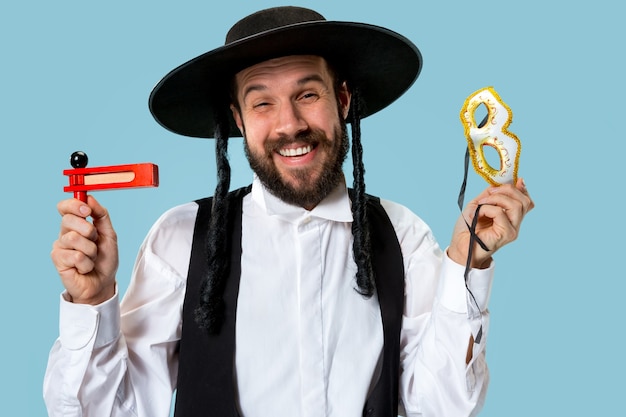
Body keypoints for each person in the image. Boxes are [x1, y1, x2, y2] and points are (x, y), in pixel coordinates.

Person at [44, 6, 534, 417]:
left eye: (307, 95)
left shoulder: (403, 237)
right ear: (238, 120)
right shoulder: (180, 238)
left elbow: (441, 406)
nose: (290, 124)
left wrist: (468, 262)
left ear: (341, 99)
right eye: (262, 104)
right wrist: (91, 303)